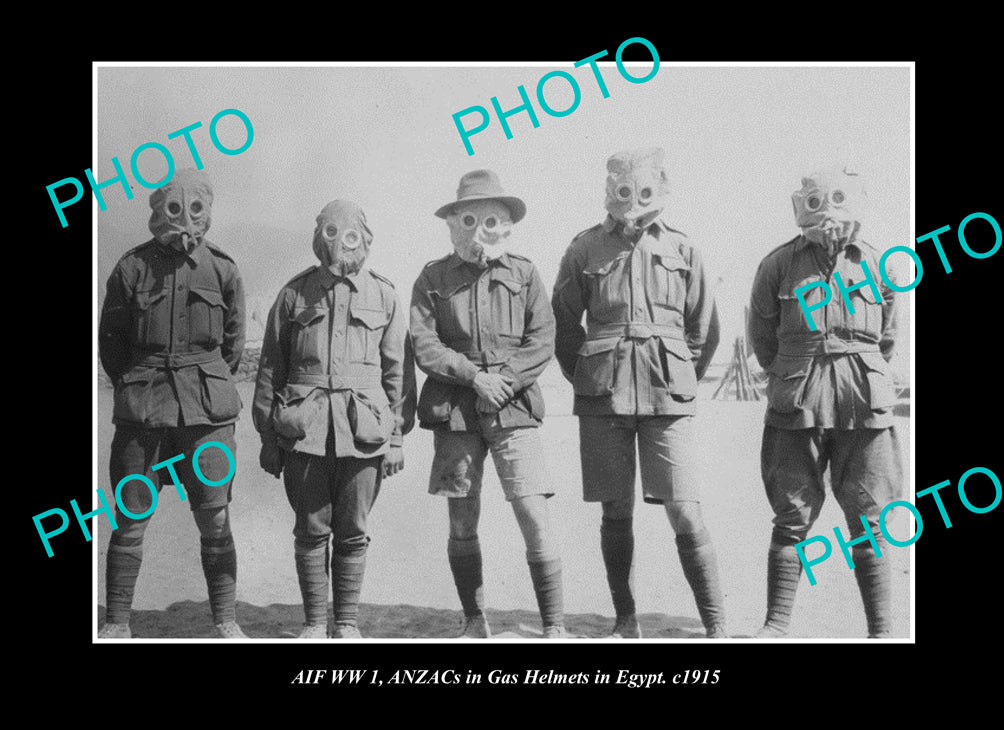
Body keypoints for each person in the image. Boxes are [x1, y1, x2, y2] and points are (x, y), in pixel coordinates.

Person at [552, 148, 726, 639]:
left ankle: (716, 626)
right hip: (603, 396)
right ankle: (626, 620)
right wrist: (589, 376)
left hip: (666, 395)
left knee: (684, 507)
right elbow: (562, 324)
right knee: (615, 508)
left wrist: (677, 376)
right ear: (609, 191)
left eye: (644, 190)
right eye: (624, 190)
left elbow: (704, 331)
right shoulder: (584, 248)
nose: (633, 201)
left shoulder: (684, 249)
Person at [411, 169, 565, 639]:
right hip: (455, 411)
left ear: (507, 223)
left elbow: (543, 339)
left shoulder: (525, 273)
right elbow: (423, 342)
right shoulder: (433, 277)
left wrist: (504, 380)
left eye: (491, 219)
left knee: (532, 511)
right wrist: (474, 377)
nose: (480, 230)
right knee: (462, 516)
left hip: (514, 407)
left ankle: (554, 625)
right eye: (469, 218)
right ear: (453, 222)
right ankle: (474, 620)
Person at [748, 167, 901, 638]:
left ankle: (880, 630)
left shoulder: (879, 266)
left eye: (838, 204)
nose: (829, 219)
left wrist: (856, 372)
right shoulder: (777, 266)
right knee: (791, 516)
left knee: (870, 520)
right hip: (799, 402)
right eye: (818, 204)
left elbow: (887, 337)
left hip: (864, 403)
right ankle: (776, 626)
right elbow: (763, 337)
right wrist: (798, 373)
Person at [253, 200, 413, 639]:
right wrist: (268, 437)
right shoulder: (294, 294)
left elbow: (398, 372)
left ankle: (345, 625)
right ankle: (312, 625)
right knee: (309, 530)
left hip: (364, 434)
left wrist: (396, 439)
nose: (341, 241)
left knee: (353, 532)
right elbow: (271, 369)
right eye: (330, 232)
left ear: (365, 237)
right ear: (318, 235)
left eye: (350, 234)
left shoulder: (384, 295)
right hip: (303, 432)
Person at [98, 169, 247, 639]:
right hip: (144, 414)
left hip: (206, 416)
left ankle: (225, 620)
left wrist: (204, 380)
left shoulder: (223, 268)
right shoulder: (131, 268)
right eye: (173, 208)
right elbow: (111, 344)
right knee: (130, 513)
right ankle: (118, 621)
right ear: (156, 210)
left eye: (195, 208)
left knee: (215, 513)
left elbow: (233, 346)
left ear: (208, 212)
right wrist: (138, 383)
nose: (184, 218)